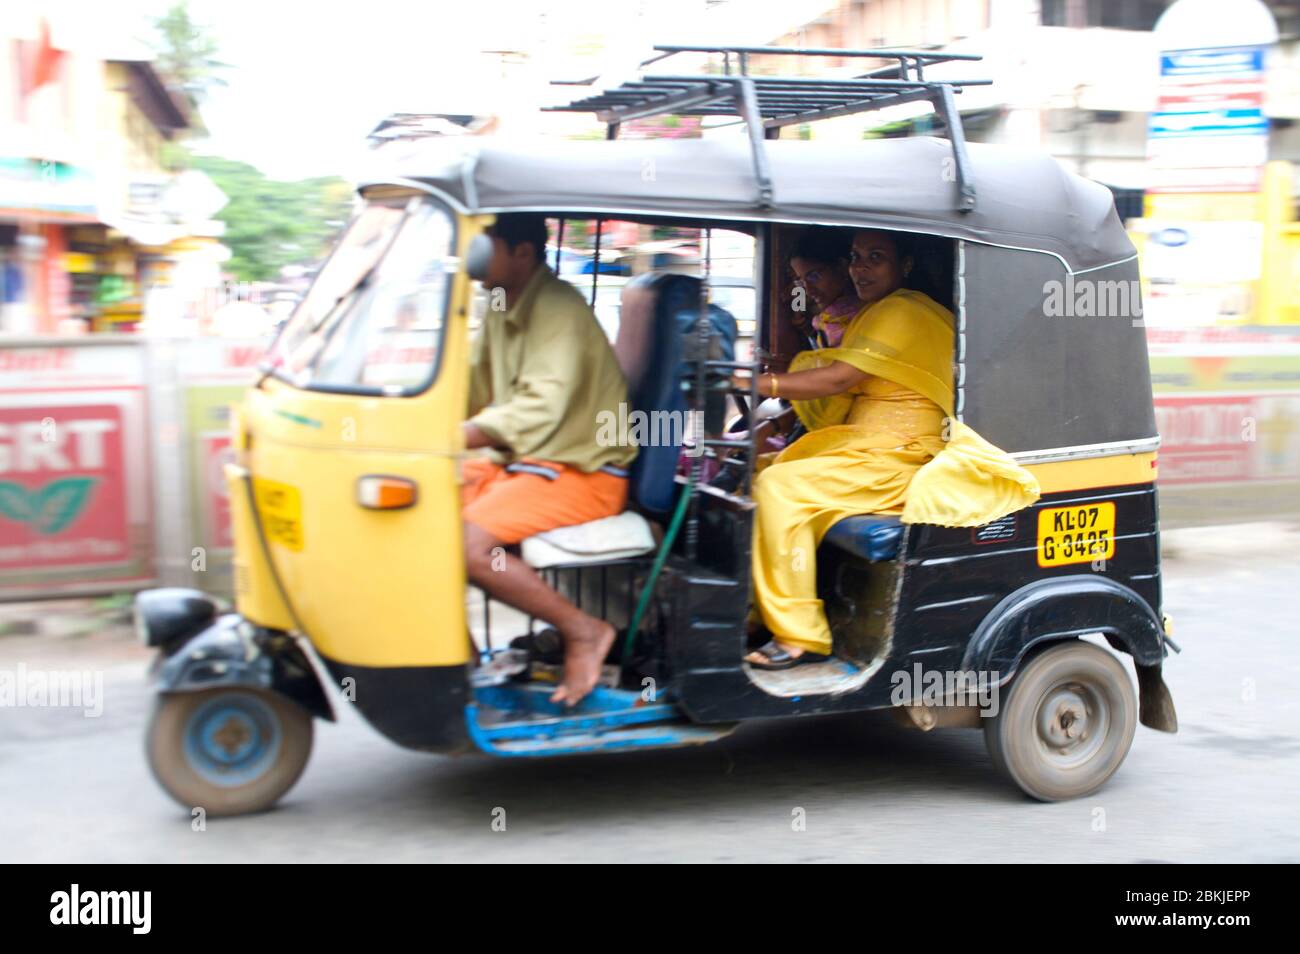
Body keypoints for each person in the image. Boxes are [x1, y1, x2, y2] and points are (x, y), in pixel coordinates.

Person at [743, 229, 1041, 669]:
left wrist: (754, 383)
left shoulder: (903, 310)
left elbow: (838, 380)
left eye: (875, 257)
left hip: (900, 455)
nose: (859, 268)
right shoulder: (875, 312)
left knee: (778, 486)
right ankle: (760, 611)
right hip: (867, 448)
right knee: (758, 470)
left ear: (905, 266)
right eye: (855, 256)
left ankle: (798, 635)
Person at [462, 213, 636, 704]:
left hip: (582, 472)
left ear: (521, 252)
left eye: (487, 240)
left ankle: (583, 631)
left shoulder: (558, 306)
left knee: (466, 545)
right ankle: (462, 658)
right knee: (419, 502)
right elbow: (472, 384)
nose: (476, 250)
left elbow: (540, 408)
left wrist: (463, 432)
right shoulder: (501, 301)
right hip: (527, 462)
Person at [788, 226, 861, 349]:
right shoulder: (825, 319)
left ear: (841, 267)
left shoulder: (863, 317)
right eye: (801, 281)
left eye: (814, 276)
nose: (809, 291)